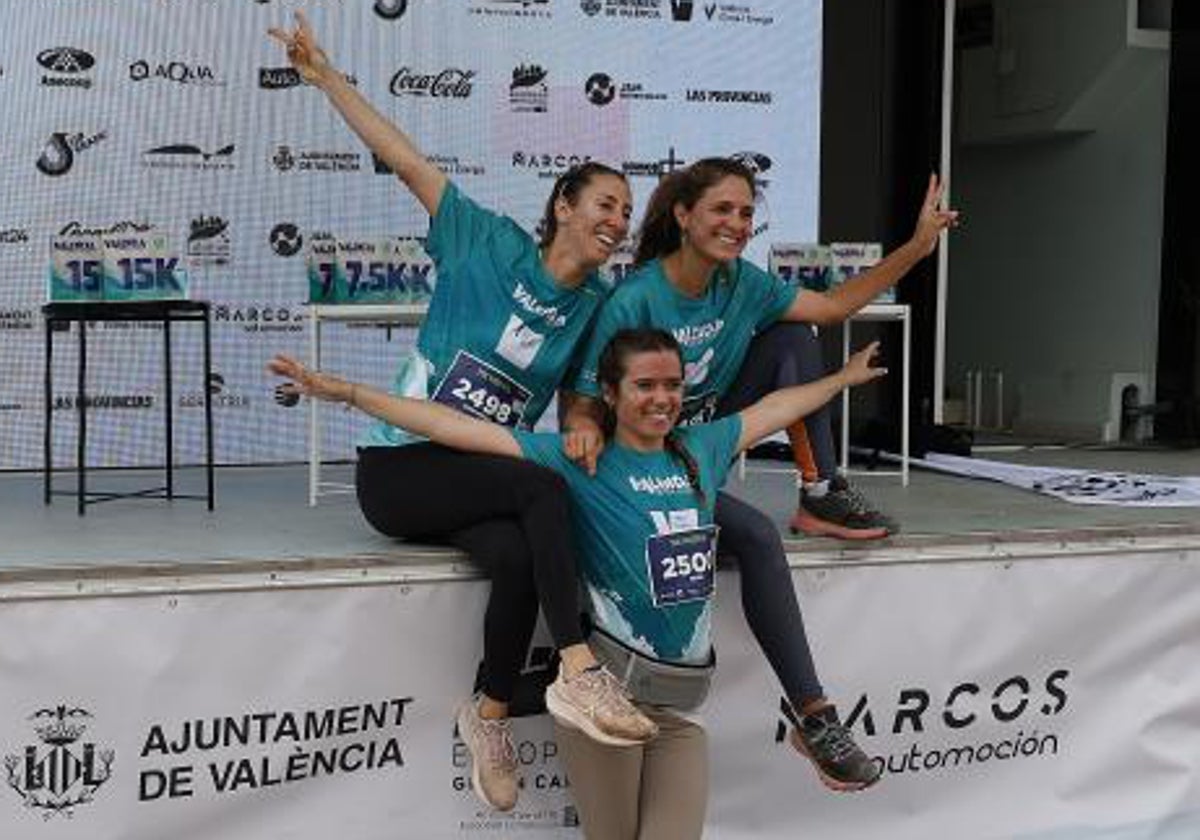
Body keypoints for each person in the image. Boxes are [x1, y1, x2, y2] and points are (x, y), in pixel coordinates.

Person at [267, 326, 887, 839]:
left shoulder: (702, 447)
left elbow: (776, 409)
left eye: (672, 385)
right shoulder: (579, 459)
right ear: (611, 394)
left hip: (677, 712)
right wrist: (346, 391)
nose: (662, 398)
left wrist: (842, 379)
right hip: (605, 706)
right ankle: (495, 704)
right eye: (645, 386)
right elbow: (453, 428)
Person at [267, 11, 655, 814]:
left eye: (627, 212)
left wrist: (583, 417)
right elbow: (404, 156)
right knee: (541, 492)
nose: (618, 221)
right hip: (399, 469)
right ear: (562, 205)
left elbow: (584, 391)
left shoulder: (597, 306)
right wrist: (327, 76)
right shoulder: (482, 239)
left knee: (516, 557)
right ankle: (580, 670)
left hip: (473, 477)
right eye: (606, 204)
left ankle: (487, 715)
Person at [563, 157, 957, 781]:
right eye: (722, 209)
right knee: (755, 537)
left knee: (795, 336)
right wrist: (583, 427)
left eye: (746, 213)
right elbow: (585, 395)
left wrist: (915, 247)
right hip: (639, 471)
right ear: (684, 216)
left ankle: (820, 492)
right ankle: (815, 710)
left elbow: (831, 309)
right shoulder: (635, 298)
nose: (738, 224)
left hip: (701, 448)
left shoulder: (741, 283)